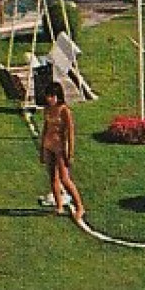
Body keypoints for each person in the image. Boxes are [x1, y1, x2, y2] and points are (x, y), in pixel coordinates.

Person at [38, 81, 85, 221]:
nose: (49, 99)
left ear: (58, 96)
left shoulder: (65, 111)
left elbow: (70, 133)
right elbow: (45, 129)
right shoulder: (47, 109)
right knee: (53, 177)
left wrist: (70, 152)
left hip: (60, 148)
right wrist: (42, 149)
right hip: (49, 145)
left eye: (51, 96)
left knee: (65, 178)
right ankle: (58, 206)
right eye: (48, 96)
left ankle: (80, 207)